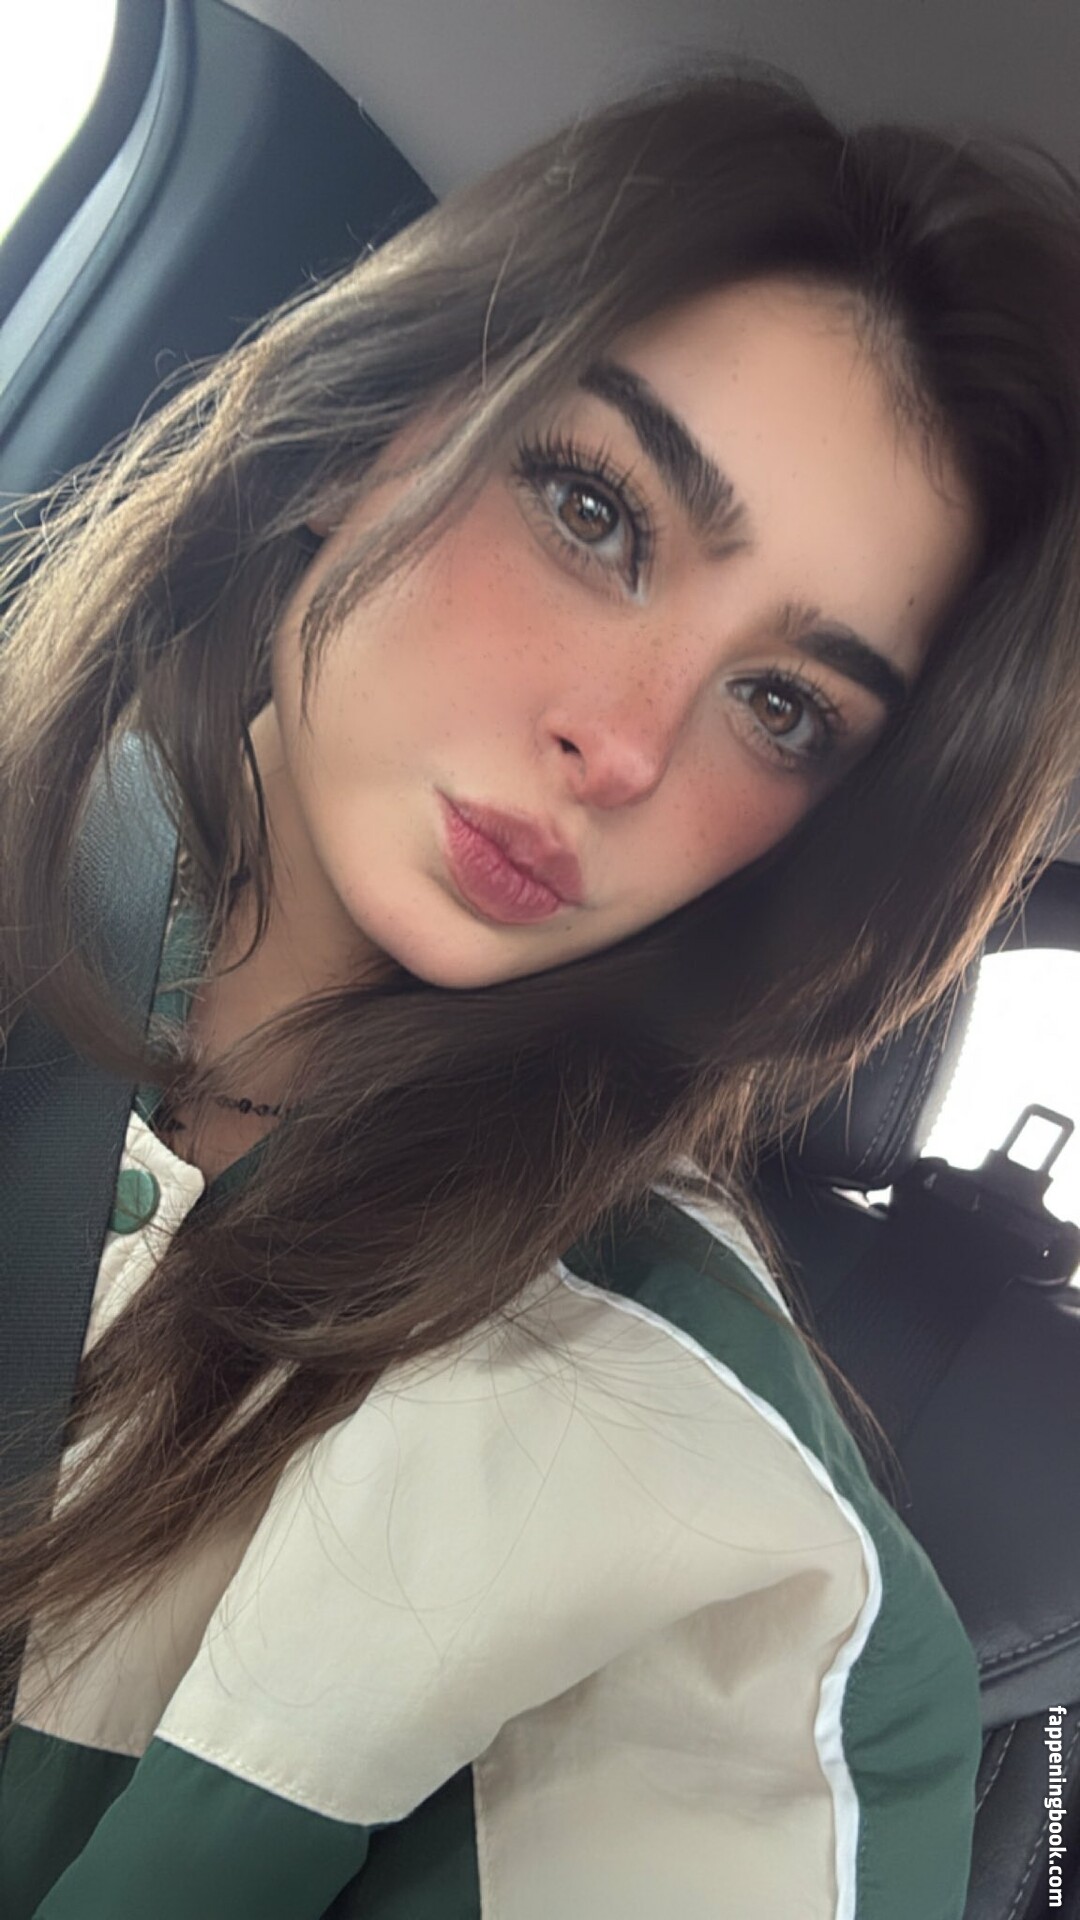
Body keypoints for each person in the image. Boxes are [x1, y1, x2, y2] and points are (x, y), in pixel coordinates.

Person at [0, 58, 1077, 1920]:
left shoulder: (699, 1514)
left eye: (783, 706)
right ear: (359, 435)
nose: (626, 745)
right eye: (596, 511)